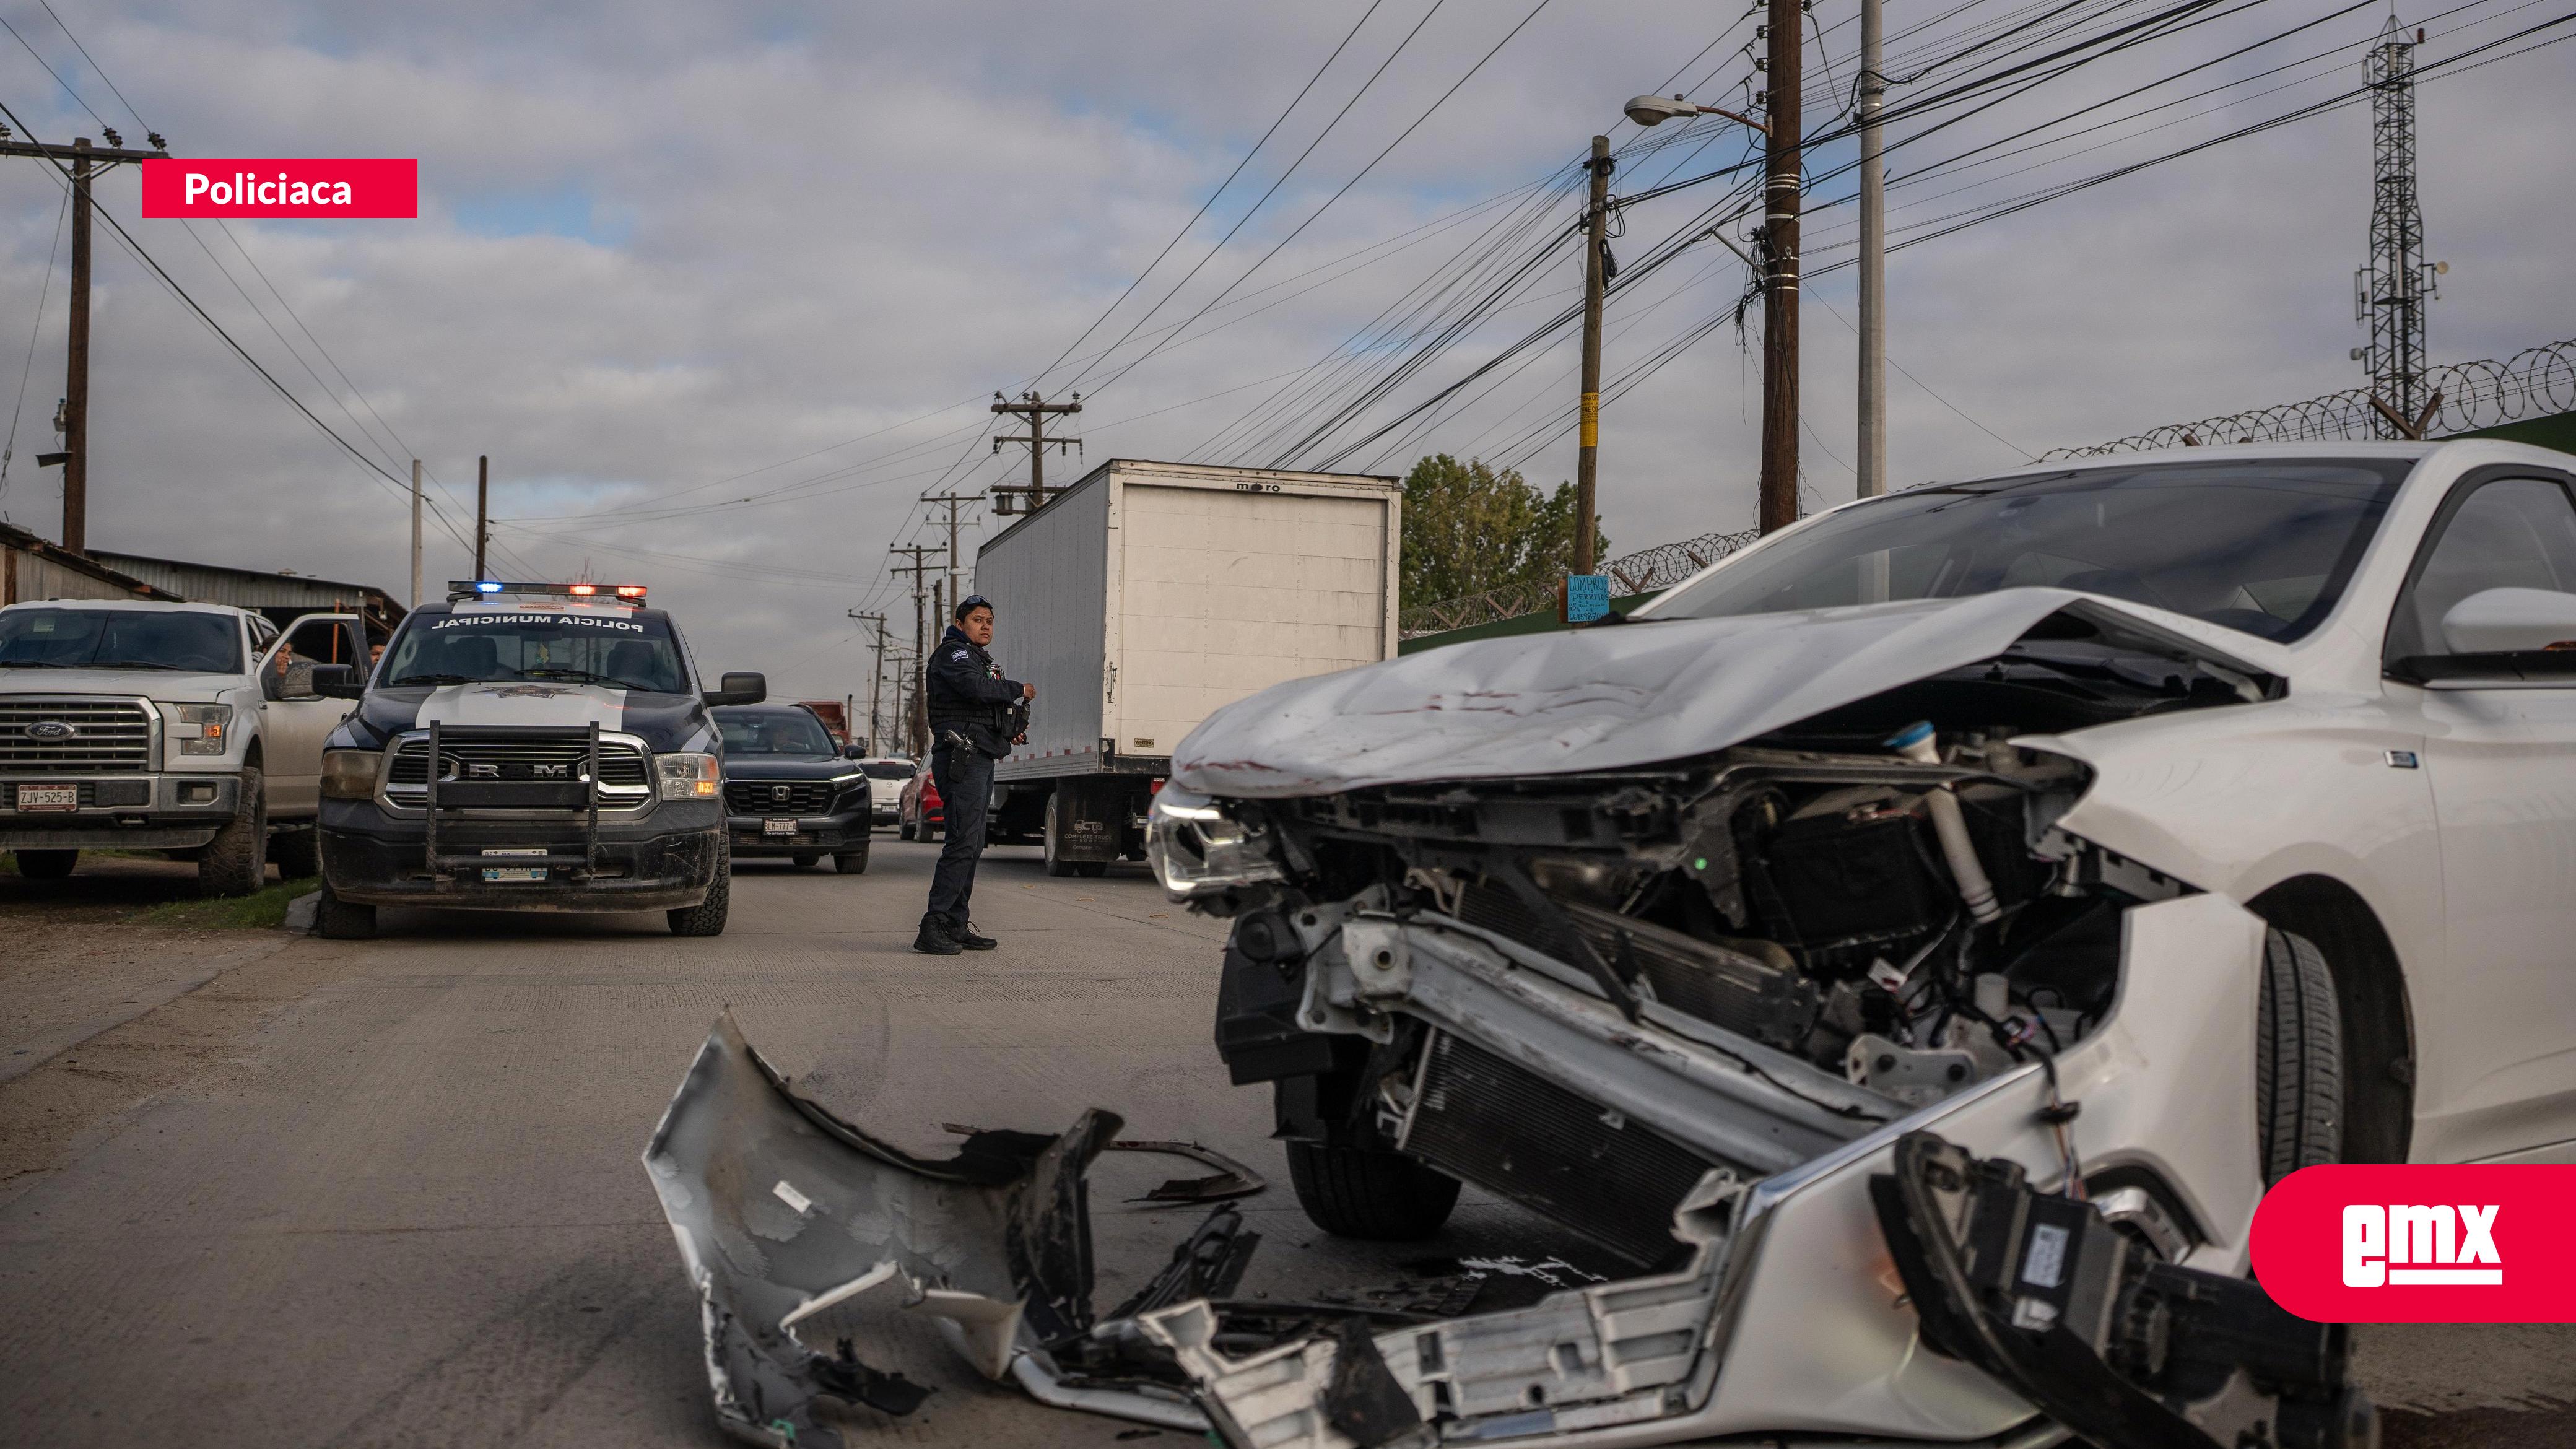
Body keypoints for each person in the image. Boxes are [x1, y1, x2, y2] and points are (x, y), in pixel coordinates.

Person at [916, 594, 1033, 954]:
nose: (986, 626)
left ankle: (954, 923)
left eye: (990, 621)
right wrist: (1018, 689)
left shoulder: (980, 659)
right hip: (961, 758)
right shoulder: (955, 654)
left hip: (980, 756)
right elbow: (976, 690)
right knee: (962, 842)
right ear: (961, 623)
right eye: (978, 621)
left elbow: (984, 707)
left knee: (974, 844)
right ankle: (932, 926)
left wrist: (1008, 727)